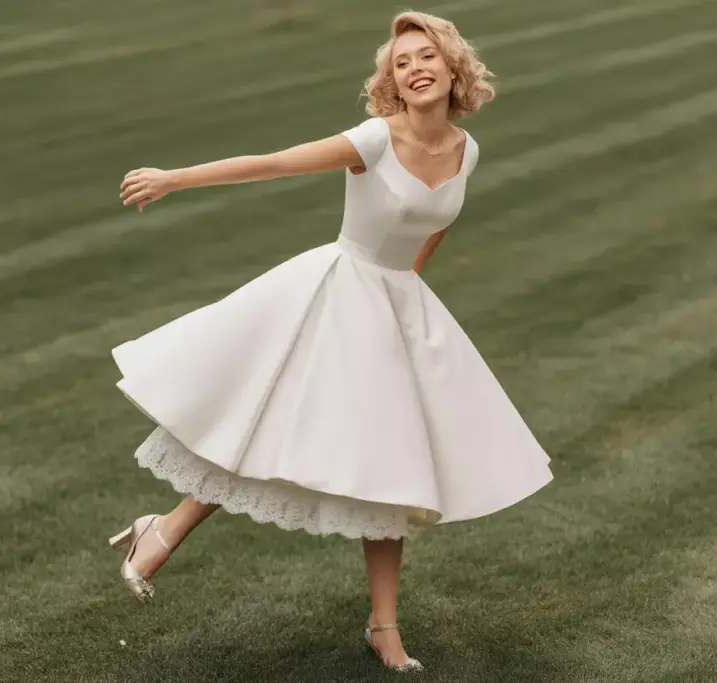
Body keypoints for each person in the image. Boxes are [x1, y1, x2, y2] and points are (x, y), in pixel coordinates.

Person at [111, 10, 553, 673]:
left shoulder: (468, 149)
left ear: (454, 66)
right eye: (401, 63)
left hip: (398, 312)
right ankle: (164, 529)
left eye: (426, 55)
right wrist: (177, 177)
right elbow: (276, 162)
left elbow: (432, 228)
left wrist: (402, 304)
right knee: (266, 425)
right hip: (334, 295)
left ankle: (384, 627)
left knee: (392, 475)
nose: (414, 69)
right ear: (393, 84)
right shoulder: (376, 138)